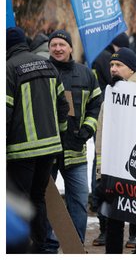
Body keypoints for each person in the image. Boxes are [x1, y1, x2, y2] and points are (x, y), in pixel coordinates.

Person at [7, 27, 69, 253]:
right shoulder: (48, 65)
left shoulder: (9, 68)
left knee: (20, 202)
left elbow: (6, 111)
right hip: (50, 148)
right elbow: (63, 105)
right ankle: (41, 248)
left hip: (22, 150)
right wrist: (59, 134)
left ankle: (21, 250)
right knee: (38, 198)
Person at [97, 48, 136, 253]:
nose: (113, 69)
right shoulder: (110, 96)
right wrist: (100, 169)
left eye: (119, 65)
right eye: (111, 66)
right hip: (116, 168)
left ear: (132, 68)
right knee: (114, 217)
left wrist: (125, 88)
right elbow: (102, 133)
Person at [40, 30, 100, 249]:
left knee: (79, 202)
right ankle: (48, 246)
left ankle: (75, 245)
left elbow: (96, 106)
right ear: (49, 48)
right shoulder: (41, 71)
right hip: (48, 151)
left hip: (76, 151)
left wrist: (87, 130)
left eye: (62, 44)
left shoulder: (86, 74)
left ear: (71, 48)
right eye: (53, 44)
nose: (57, 48)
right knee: (47, 202)